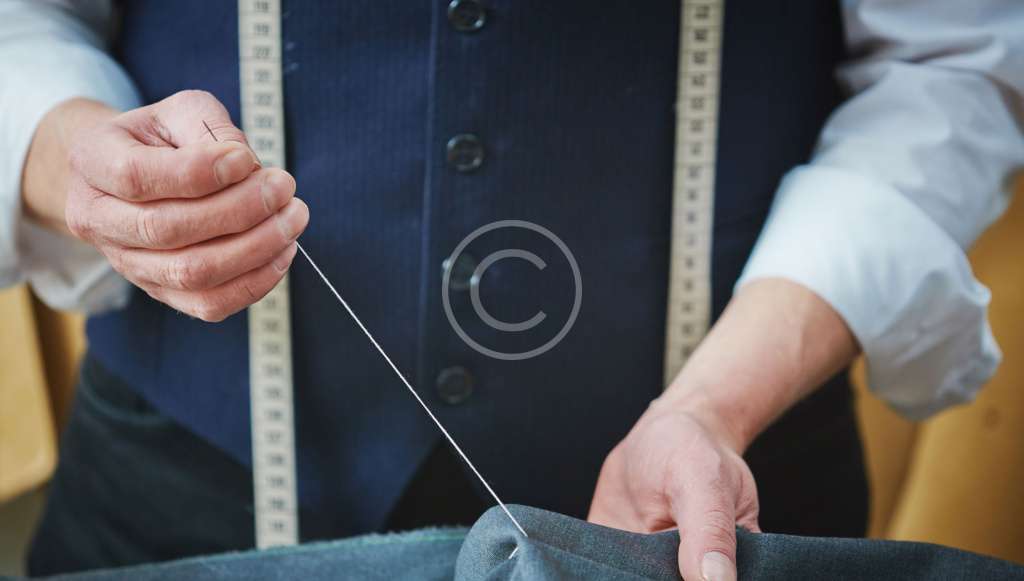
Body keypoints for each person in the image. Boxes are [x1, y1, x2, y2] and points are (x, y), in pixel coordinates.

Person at [2, 1, 1021, 580]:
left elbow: (947, 65)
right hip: (189, 482)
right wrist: (73, 154)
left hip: (713, 498)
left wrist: (716, 403)